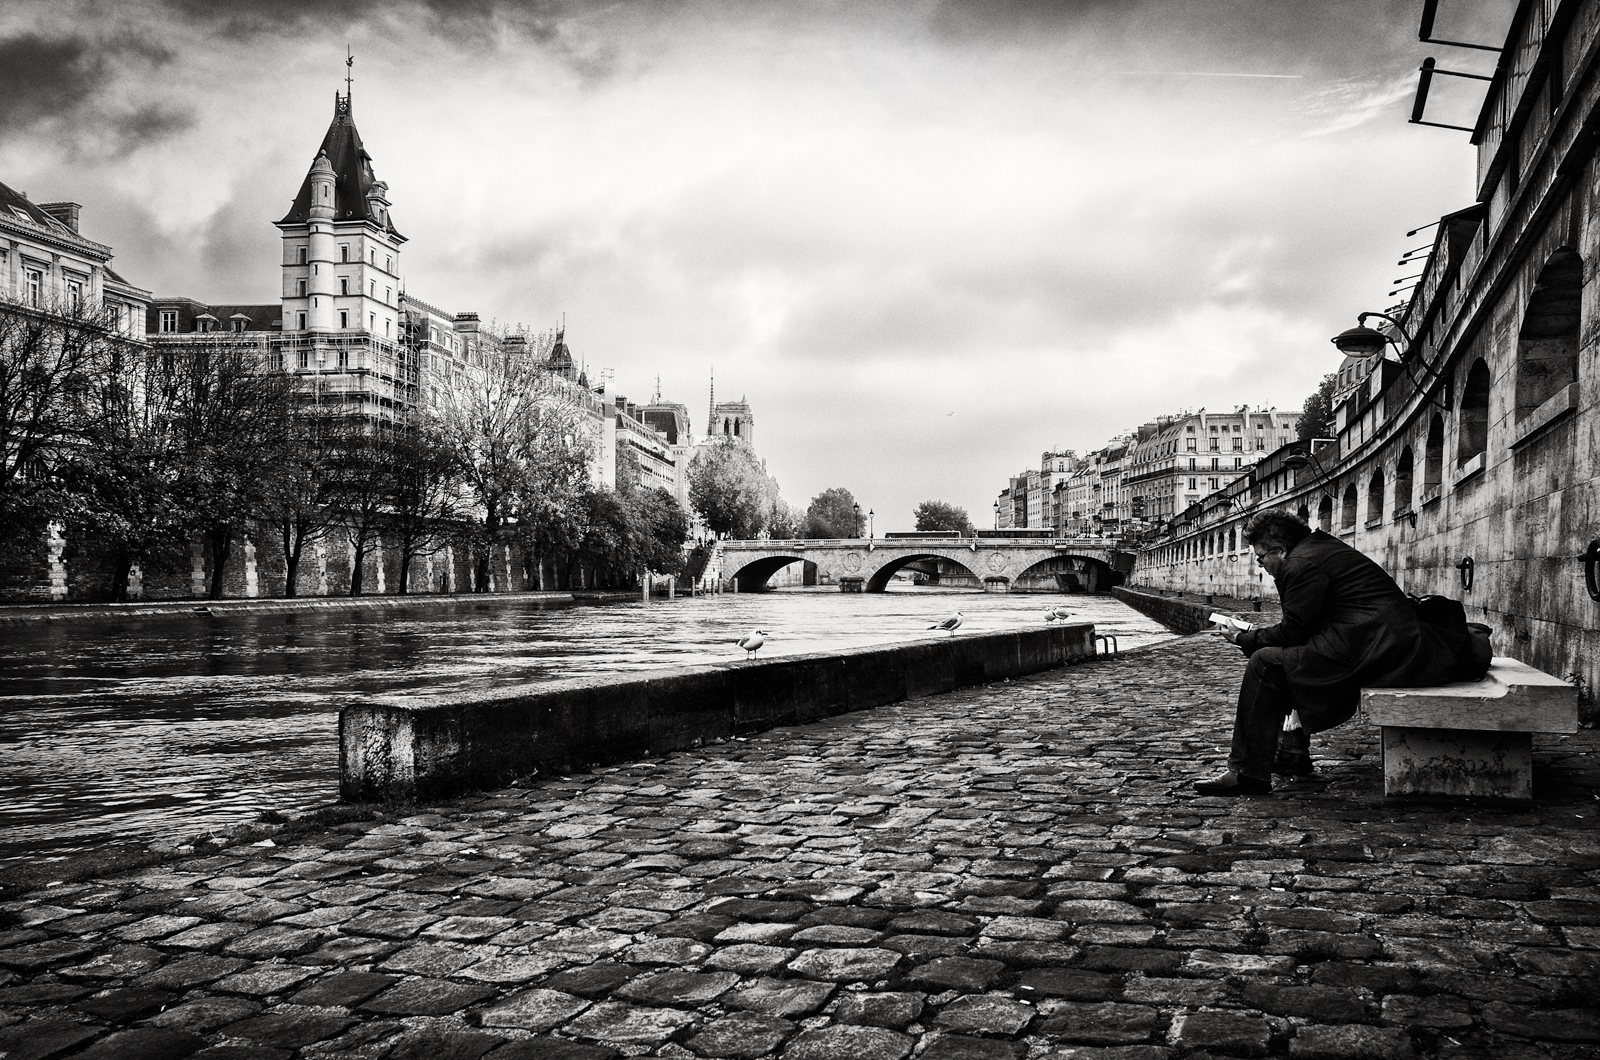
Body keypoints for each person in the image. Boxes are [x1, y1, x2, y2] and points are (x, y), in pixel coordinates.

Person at [1195, 510, 1473, 796]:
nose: (1260, 565)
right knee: (1290, 656)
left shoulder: (1301, 563)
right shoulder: (1317, 549)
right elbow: (1302, 626)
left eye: (1261, 557)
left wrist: (1243, 638)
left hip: (1382, 648)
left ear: (1280, 550)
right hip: (1384, 640)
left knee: (1265, 663)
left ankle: (1246, 771)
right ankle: (1292, 751)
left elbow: (1294, 631)